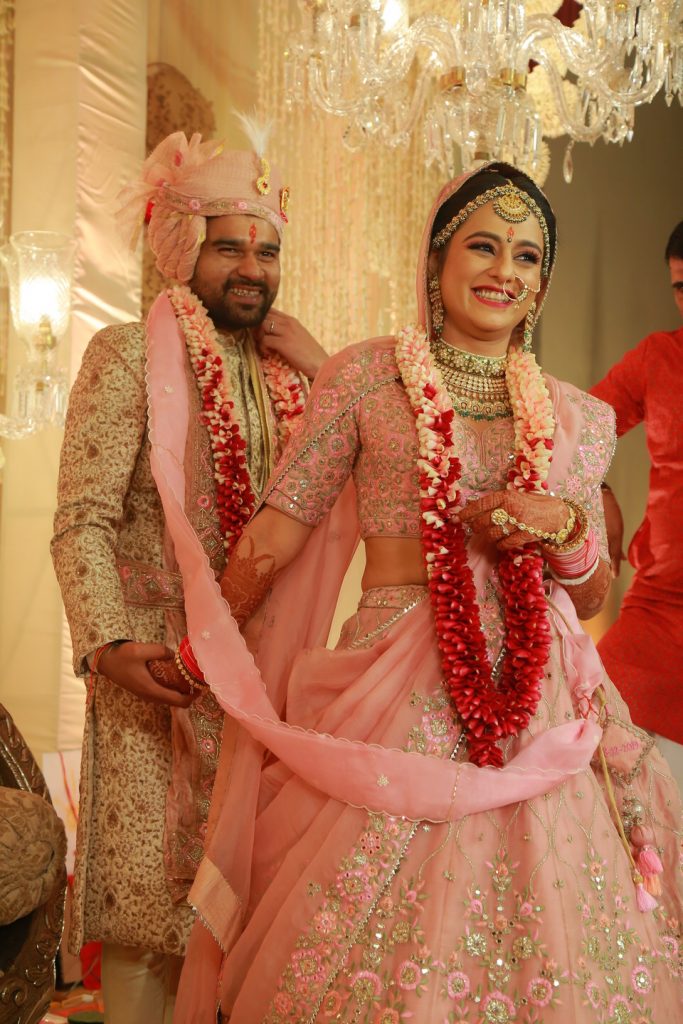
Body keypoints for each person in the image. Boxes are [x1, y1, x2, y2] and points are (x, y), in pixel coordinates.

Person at [151, 164, 683, 1022]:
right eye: (482, 245)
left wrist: (561, 529)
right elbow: (273, 536)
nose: (503, 270)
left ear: (542, 282)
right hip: (387, 679)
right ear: (435, 260)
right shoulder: (365, 378)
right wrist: (197, 648)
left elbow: (584, 596)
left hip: (536, 693)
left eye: (525, 255)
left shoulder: (577, 418)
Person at [50, 128, 326, 1024]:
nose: (252, 266)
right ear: (183, 250)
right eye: (229, 245)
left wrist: (326, 371)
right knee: (149, 924)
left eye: (268, 248)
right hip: (156, 678)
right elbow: (82, 519)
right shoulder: (127, 352)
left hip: (264, 683)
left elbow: (367, 484)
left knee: (252, 914)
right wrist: (108, 643)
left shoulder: (294, 375)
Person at [591, 221, 683, 784]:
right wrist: (599, 492)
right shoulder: (660, 357)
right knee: (590, 730)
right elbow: (575, 424)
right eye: (681, 288)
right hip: (658, 606)